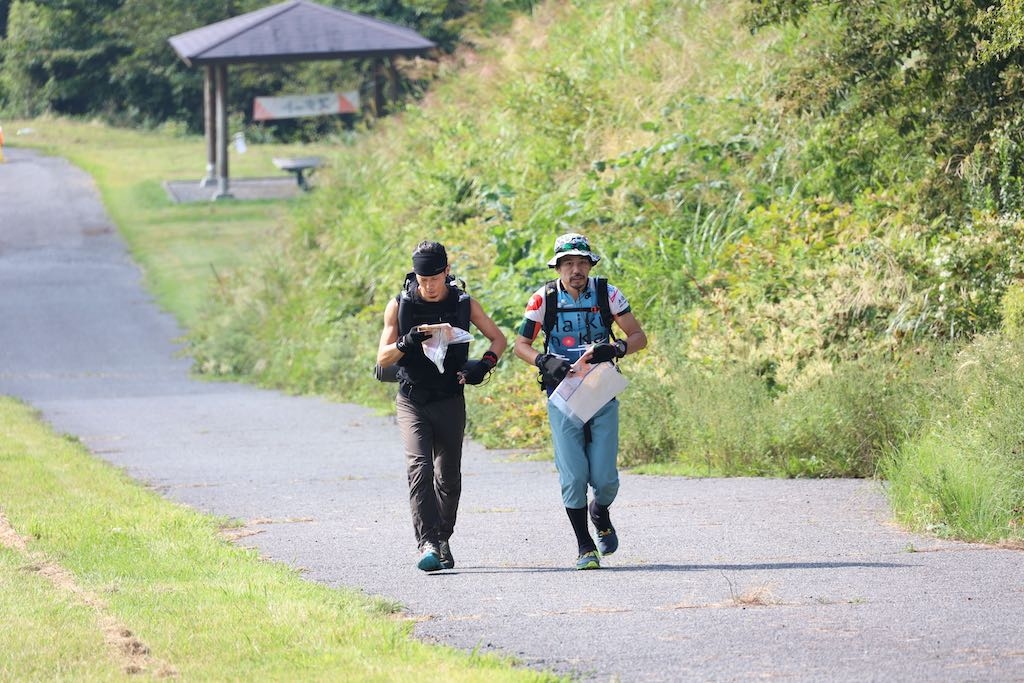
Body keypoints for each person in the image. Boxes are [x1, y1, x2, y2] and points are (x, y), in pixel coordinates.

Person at [513, 233, 647, 570]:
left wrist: (615, 348)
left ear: (590, 265)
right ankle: (585, 546)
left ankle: (600, 511)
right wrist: (544, 361)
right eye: (569, 263)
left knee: (606, 479)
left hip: (601, 390)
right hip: (562, 395)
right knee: (573, 477)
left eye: (582, 263)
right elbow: (520, 346)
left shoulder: (607, 294)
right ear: (557, 267)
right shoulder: (543, 299)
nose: (576, 270)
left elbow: (638, 337)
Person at [377, 240, 507, 572]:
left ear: (447, 271)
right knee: (418, 468)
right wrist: (406, 341)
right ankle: (428, 543)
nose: (429, 287)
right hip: (412, 399)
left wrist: (484, 365)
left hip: (450, 397)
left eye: (435, 279)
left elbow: (498, 339)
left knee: (448, 478)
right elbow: (383, 358)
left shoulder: (464, 303)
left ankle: (443, 537)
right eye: (423, 280)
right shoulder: (400, 305)